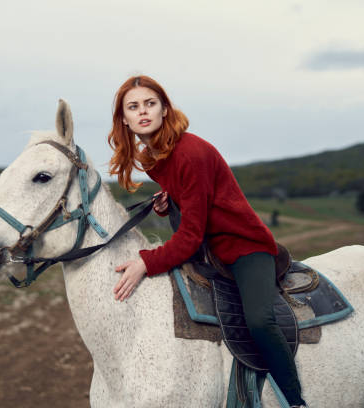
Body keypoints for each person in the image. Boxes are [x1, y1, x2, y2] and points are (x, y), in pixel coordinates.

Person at [107, 75, 307, 407]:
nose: (143, 112)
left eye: (150, 103)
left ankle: (295, 401)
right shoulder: (151, 156)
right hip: (210, 249)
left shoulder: (190, 152)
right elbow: (193, 194)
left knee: (259, 320)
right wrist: (173, 198)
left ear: (164, 108)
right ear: (124, 119)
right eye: (133, 107)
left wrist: (146, 261)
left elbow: (189, 236)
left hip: (243, 245)